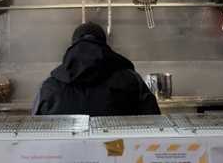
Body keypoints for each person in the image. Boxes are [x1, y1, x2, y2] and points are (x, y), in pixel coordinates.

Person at [32, 22, 161, 116]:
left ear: (73, 44)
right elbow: (154, 120)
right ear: (104, 44)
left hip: (63, 152)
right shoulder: (131, 79)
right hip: (119, 150)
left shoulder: (50, 84)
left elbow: (35, 127)